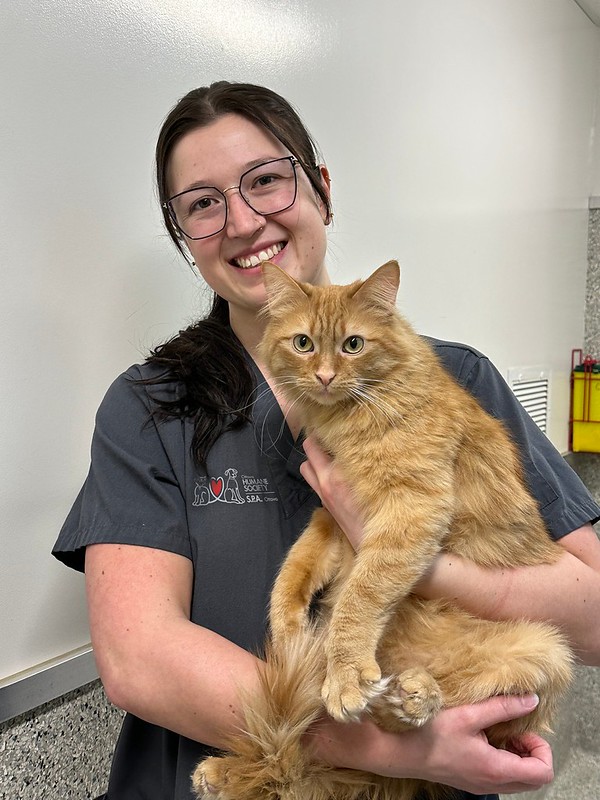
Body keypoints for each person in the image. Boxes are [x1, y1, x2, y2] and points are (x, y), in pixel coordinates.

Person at [52, 81, 600, 800]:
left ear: (322, 191)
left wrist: (415, 558)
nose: (242, 221)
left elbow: (593, 620)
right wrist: (385, 748)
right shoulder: (150, 407)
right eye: (203, 204)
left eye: (266, 180)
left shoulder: (457, 380)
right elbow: (138, 661)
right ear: (185, 238)